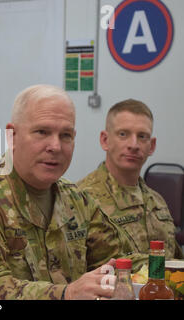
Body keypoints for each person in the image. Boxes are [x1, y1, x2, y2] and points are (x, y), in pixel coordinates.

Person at [0, 84, 138, 300]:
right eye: (42, 132)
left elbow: (123, 260)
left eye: (65, 135)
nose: (55, 146)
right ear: (12, 136)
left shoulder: (76, 200)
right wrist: (66, 294)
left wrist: (162, 269)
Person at [77, 99, 183, 260]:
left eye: (142, 136)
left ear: (152, 146)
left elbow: (175, 264)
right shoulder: (81, 199)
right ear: (105, 140)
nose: (133, 145)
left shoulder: (157, 202)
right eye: (123, 134)